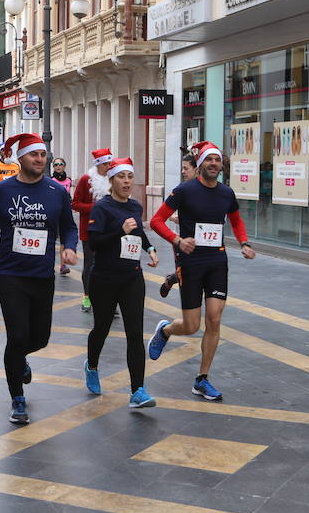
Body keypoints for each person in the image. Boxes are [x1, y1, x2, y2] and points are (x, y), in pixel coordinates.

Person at [0, 133, 78, 424]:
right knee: (17, 336)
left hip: (42, 275)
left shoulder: (56, 191)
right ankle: (17, 398)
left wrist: (70, 247)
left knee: (40, 337)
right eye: (34, 155)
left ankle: (18, 359)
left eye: (43, 155)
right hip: (11, 274)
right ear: (20, 158)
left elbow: (69, 226)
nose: (40, 160)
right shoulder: (2, 190)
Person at [148, 141, 256, 401]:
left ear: (221, 165)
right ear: (200, 164)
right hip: (191, 263)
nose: (213, 164)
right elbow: (156, 221)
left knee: (215, 319)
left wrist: (244, 242)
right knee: (191, 325)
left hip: (217, 261)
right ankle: (165, 330)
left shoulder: (226, 193)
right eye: (209, 160)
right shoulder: (185, 190)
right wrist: (177, 241)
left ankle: (202, 379)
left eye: (217, 160)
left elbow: (236, 220)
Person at [84, 157, 159, 408]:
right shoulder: (102, 208)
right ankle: (92, 365)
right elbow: (94, 243)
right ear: (111, 179)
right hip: (104, 278)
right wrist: (120, 232)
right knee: (102, 329)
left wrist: (150, 248)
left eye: (129, 177)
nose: (127, 182)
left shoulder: (135, 207)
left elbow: (138, 231)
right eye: (121, 177)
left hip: (132, 277)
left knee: (135, 333)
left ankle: (138, 390)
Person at [71, 148, 113, 312]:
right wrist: (96, 207)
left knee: (109, 265)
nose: (109, 166)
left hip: (110, 231)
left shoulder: (114, 179)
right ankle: (87, 297)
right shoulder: (86, 180)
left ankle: (108, 299)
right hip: (89, 231)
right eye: (105, 164)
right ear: (98, 165)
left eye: (110, 163)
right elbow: (75, 204)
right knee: (90, 265)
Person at [159, 153, 198, 298]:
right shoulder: (181, 189)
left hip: (202, 241)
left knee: (197, 271)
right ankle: (172, 281)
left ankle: (172, 279)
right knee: (185, 274)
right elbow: (163, 214)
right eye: (182, 168)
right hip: (180, 240)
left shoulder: (209, 190)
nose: (183, 171)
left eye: (186, 168)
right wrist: (177, 219)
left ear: (196, 169)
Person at [50, 157, 73, 274]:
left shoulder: (68, 180)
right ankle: (50, 263)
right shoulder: (51, 180)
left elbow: (69, 196)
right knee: (52, 239)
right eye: (56, 165)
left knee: (64, 240)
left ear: (64, 166)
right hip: (54, 213)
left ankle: (63, 265)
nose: (58, 166)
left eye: (60, 164)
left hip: (65, 213)